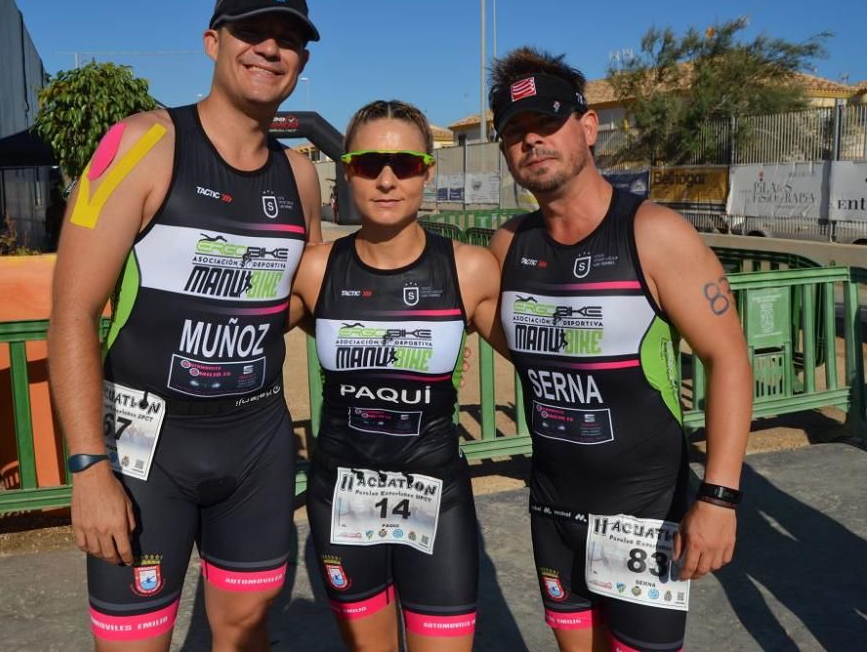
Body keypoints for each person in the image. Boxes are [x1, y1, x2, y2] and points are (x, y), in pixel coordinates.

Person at [46, 0, 322, 649]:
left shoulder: (302, 175)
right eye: (251, 30)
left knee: (245, 637)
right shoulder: (142, 143)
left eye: (287, 36)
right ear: (213, 42)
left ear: (301, 59)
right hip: (146, 453)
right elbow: (72, 313)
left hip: (255, 446)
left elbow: (298, 299)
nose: (269, 47)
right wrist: (87, 467)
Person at [487, 47, 752, 652]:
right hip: (552, 506)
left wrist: (718, 497)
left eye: (547, 124)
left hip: (646, 510)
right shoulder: (507, 246)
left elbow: (729, 358)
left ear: (586, 126)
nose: (532, 141)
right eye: (515, 133)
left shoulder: (655, 233)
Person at [289, 100, 501, 651]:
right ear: (347, 170)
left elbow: (555, 355)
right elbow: (225, 330)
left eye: (404, 164)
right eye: (368, 164)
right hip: (342, 495)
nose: (386, 179)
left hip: (438, 493)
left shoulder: (470, 268)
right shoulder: (314, 268)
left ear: (427, 172)